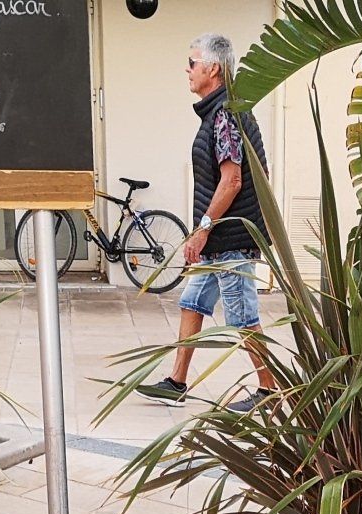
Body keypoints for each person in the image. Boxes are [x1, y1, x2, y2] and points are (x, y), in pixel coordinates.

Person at [137, 34, 278, 412]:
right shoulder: (222, 111)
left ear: (213, 68)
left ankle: (270, 391)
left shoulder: (225, 115)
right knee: (192, 303)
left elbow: (232, 181)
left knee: (243, 317)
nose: (187, 70)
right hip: (220, 238)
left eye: (192, 63)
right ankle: (176, 382)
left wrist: (201, 231)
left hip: (230, 237)